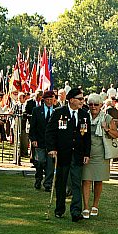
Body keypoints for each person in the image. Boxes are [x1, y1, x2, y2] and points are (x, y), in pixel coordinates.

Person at [46, 88, 91, 222]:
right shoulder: (59, 113)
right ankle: (59, 209)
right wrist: (52, 148)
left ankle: (76, 211)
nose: (82, 102)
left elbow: (86, 136)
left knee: (76, 183)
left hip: (77, 154)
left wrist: (86, 153)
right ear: (71, 100)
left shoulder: (84, 115)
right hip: (62, 154)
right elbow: (50, 132)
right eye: (80, 99)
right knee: (61, 182)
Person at [81, 94, 118, 218]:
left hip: (101, 154)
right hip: (87, 153)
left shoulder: (107, 118)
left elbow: (116, 134)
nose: (93, 107)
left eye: (96, 104)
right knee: (86, 179)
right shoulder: (84, 117)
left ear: (101, 105)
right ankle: (85, 207)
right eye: (90, 104)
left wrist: (106, 129)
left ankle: (95, 205)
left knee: (98, 180)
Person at [29, 91, 55, 192]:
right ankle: (38, 179)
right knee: (39, 162)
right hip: (39, 140)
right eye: (47, 100)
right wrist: (33, 139)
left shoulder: (57, 111)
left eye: (51, 100)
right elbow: (33, 127)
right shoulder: (36, 110)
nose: (49, 102)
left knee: (50, 165)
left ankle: (48, 183)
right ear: (43, 100)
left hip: (52, 143)